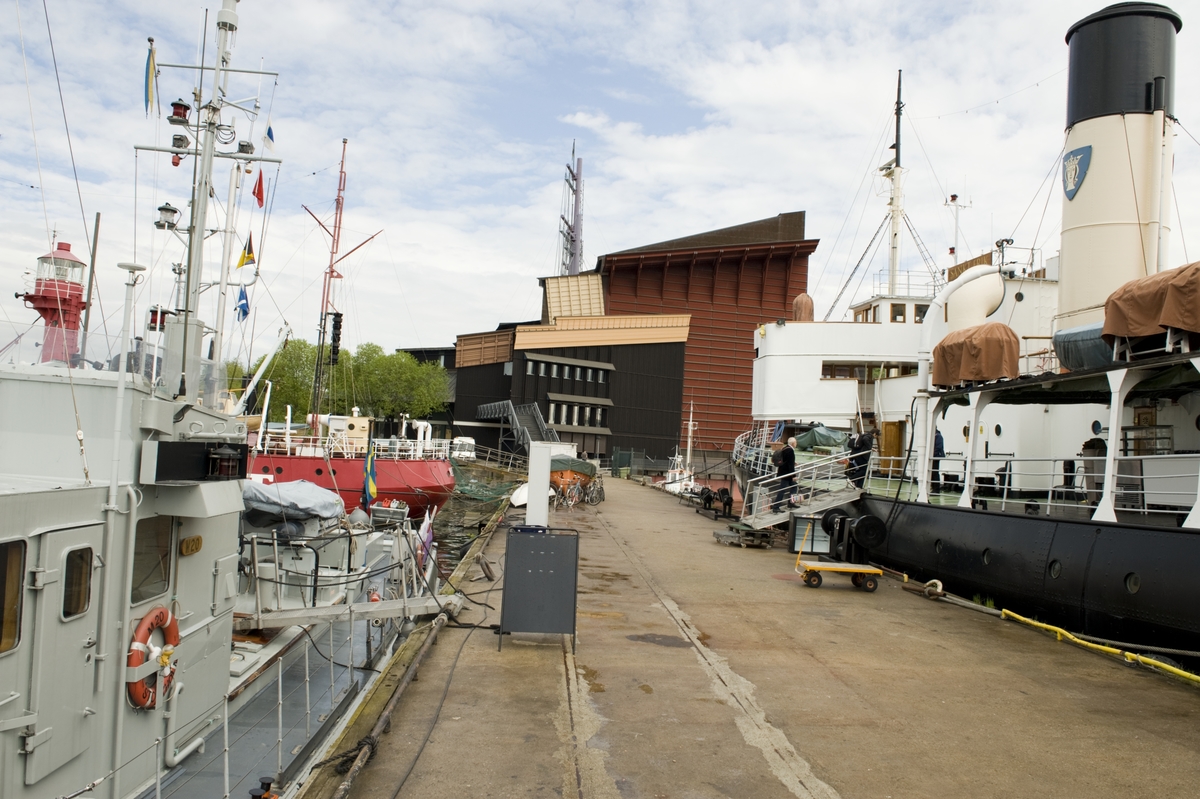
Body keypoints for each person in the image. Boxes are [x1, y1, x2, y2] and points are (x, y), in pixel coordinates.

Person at [772, 436, 797, 510]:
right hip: (787, 474)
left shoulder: (785, 448)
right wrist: (793, 476)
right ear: (793, 443)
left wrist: (793, 462)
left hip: (783, 472)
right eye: (795, 442)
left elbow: (786, 460)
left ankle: (791, 502)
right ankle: (776, 507)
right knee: (782, 490)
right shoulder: (790, 451)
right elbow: (790, 465)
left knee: (794, 486)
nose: (796, 444)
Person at [932, 427, 945, 491]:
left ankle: (936, 489)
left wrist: (932, 454)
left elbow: (938, 447)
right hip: (933, 457)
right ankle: (933, 487)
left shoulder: (938, 436)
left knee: (935, 473)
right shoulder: (934, 436)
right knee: (932, 472)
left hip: (935, 457)